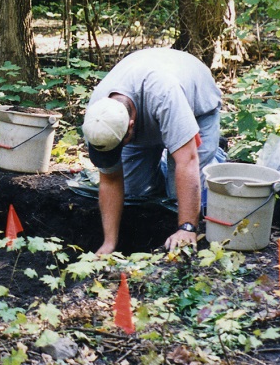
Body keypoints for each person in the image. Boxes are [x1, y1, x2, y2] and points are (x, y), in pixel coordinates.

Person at [81, 48, 224, 255]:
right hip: (147, 118)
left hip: (196, 103)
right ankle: (169, 156)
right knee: (136, 191)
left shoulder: (163, 94)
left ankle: (215, 158)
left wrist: (187, 227)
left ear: (130, 126)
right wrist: (109, 244)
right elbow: (110, 179)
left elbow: (188, 161)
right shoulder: (99, 118)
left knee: (179, 194)